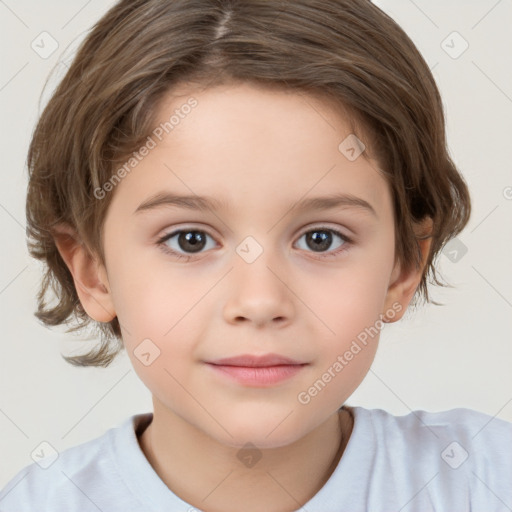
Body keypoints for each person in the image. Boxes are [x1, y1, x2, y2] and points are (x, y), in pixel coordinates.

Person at [1, 0, 510, 510]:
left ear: (402, 268)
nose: (260, 301)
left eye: (320, 239)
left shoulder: (484, 480)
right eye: (190, 240)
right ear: (93, 273)